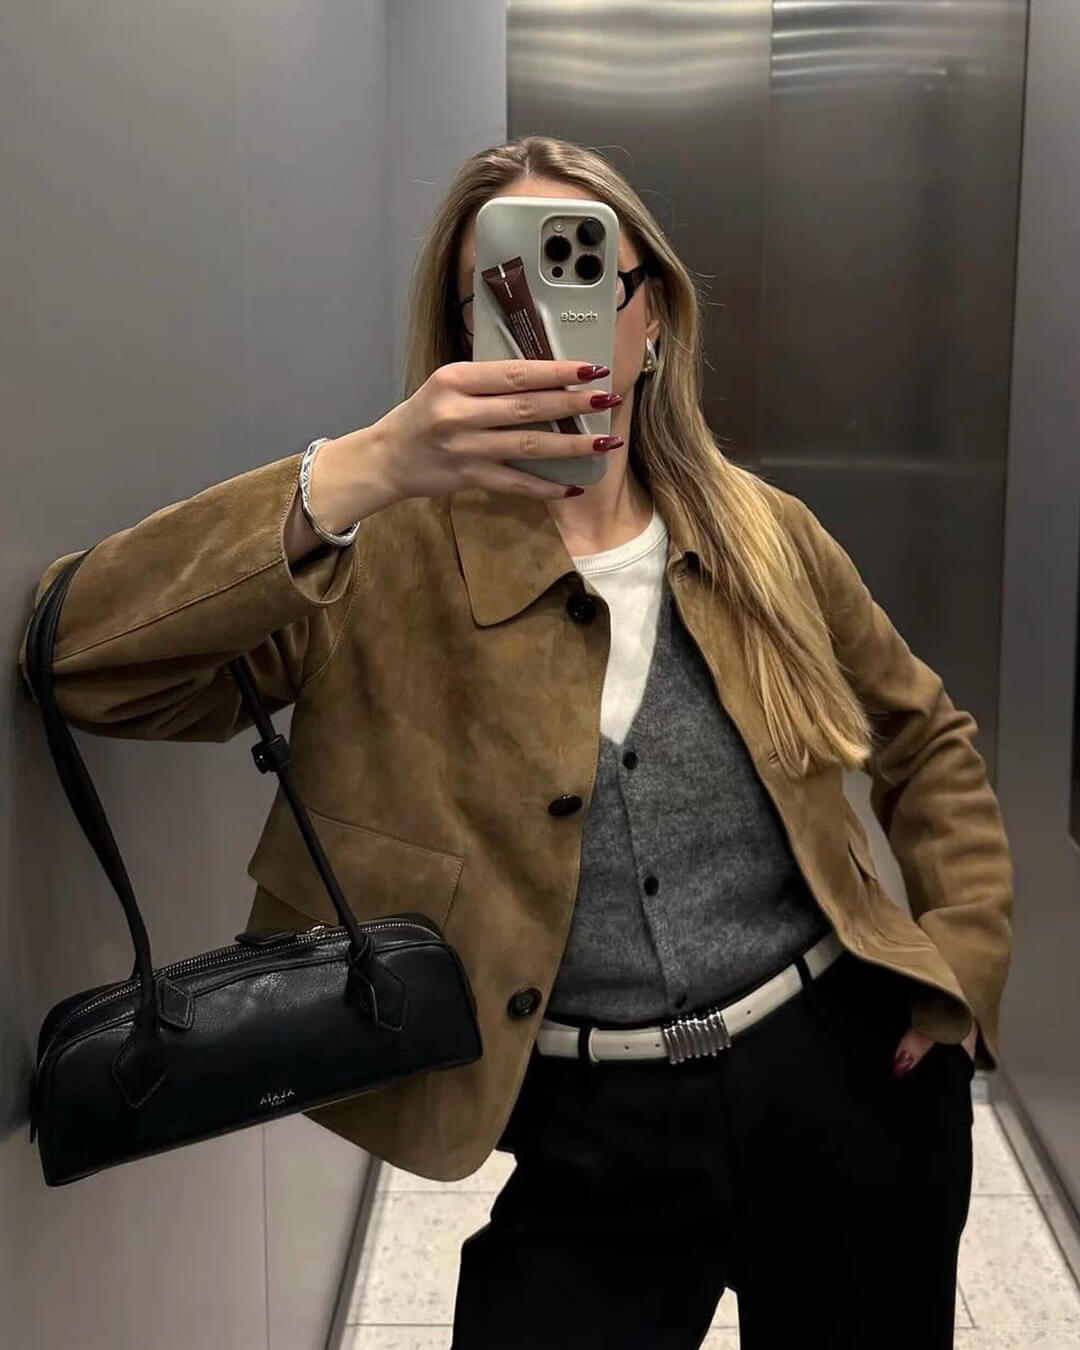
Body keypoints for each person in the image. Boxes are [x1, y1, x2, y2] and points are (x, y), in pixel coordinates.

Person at [18, 135, 1012, 1349]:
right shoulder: (375, 565)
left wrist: (963, 963)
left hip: (841, 1080)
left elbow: (927, 735)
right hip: (585, 1125)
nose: (551, 325)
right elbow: (80, 659)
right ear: (459, 338)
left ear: (654, 318)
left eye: (587, 275)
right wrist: (356, 472)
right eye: (505, 291)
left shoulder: (766, 534)